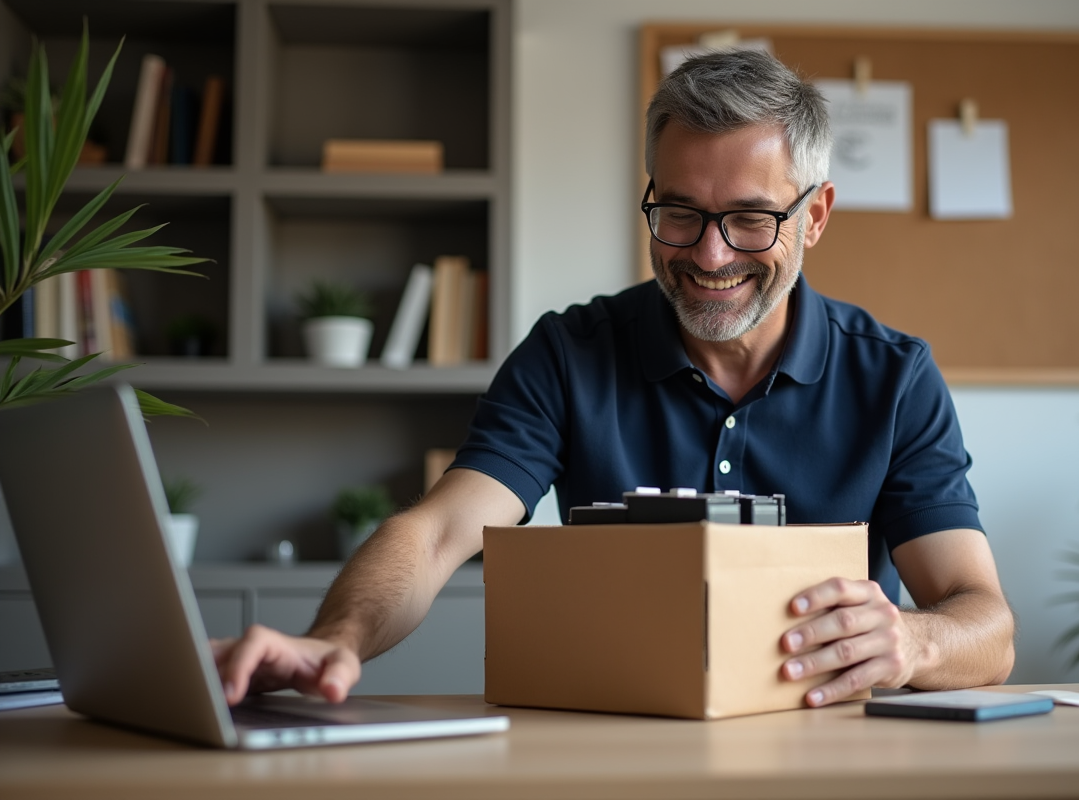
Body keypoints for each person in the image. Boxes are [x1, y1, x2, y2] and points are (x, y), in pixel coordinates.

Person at [213, 50, 1014, 709]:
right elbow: (434, 534)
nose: (709, 255)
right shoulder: (569, 353)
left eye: (749, 218)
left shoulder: (895, 376)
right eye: (678, 213)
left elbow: (985, 621)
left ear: (815, 215)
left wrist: (910, 641)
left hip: (823, 757)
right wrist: (334, 640)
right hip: (609, 753)